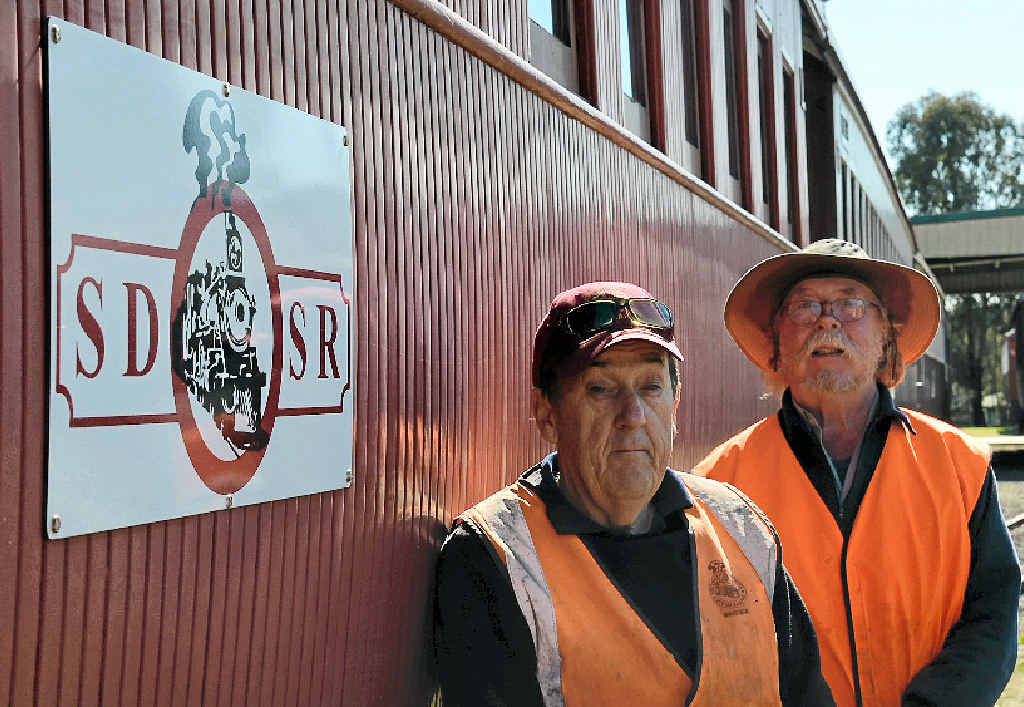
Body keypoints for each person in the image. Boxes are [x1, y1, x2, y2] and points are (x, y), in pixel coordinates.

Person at [433, 281, 834, 706]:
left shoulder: (740, 527)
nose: (633, 415)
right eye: (601, 389)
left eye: (651, 387)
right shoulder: (496, 556)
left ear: (675, 403)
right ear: (547, 414)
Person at [696, 239, 1021, 707]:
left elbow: (992, 615)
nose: (827, 320)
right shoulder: (719, 486)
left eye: (851, 304)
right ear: (776, 340)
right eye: (804, 306)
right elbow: (716, 649)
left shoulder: (958, 465)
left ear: (886, 334)